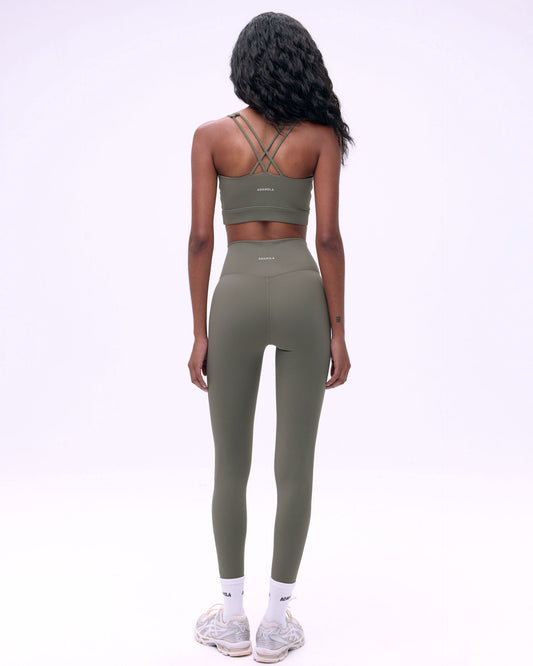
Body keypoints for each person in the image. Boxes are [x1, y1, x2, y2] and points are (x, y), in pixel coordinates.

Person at [187, 11, 353, 663]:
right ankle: (277, 622)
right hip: (301, 292)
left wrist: (198, 331)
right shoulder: (320, 138)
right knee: (295, 465)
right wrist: (338, 329)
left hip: (232, 296)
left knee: (230, 465)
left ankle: (231, 618)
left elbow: (200, 239)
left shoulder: (209, 137)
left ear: (243, 66)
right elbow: (329, 239)